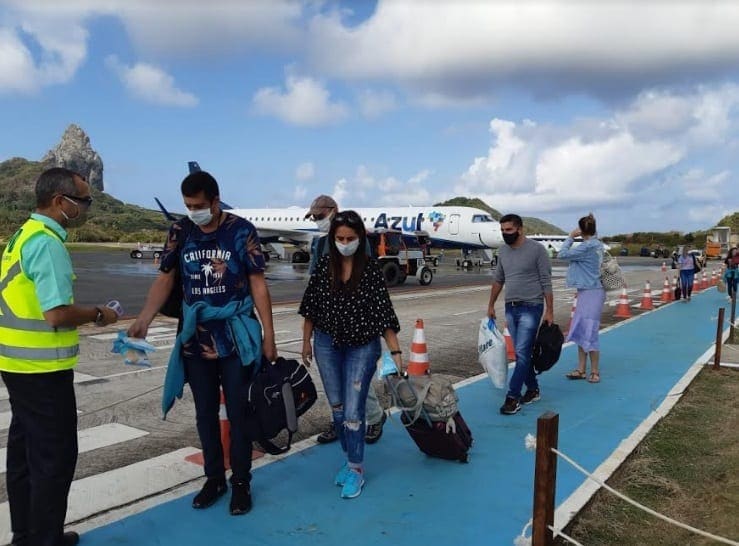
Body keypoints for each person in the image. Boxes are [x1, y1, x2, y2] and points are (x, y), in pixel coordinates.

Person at [128, 170, 277, 516]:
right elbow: (165, 278)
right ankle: (214, 478)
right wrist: (144, 319)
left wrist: (268, 335)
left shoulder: (241, 231)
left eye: (198, 205)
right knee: (205, 414)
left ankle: (241, 481)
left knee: (240, 414)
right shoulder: (181, 231)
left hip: (236, 336)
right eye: (187, 205)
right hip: (196, 339)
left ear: (214, 200)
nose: (193, 211)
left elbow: (258, 284)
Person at [0, 167, 119, 546]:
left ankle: (26, 535)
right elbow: (56, 314)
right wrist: (99, 313)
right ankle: (45, 540)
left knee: (24, 454)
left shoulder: (21, 236)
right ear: (59, 201)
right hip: (42, 369)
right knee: (54, 460)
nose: (85, 208)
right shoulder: (48, 243)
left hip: (17, 366)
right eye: (82, 200)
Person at [299, 210, 402, 499]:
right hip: (326, 344)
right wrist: (306, 341)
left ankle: (356, 468)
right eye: (339, 238)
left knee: (355, 412)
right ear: (332, 239)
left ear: (360, 238)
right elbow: (310, 307)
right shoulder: (323, 266)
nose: (345, 243)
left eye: (350, 238)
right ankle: (349, 457)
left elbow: (384, 313)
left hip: (362, 346)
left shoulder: (370, 270)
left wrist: (395, 351)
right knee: (339, 409)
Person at [305, 195, 387, 445]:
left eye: (320, 216)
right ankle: (339, 419)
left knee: (355, 378)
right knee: (333, 380)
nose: (318, 221)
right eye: (315, 217)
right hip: (326, 324)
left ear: (333, 211)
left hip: (355, 322)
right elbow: (313, 284)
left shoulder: (358, 245)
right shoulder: (319, 245)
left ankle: (373, 418)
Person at [486, 214, 553, 415]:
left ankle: (512, 397)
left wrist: (549, 310)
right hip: (511, 307)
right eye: (503, 230)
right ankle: (532, 389)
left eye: (509, 230)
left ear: (520, 229)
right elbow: (498, 279)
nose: (505, 234)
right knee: (521, 353)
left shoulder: (537, 250)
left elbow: (546, 281)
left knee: (522, 353)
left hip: (532, 307)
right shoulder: (503, 251)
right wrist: (490, 305)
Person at [557, 214, 605, 383]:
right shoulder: (597, 244)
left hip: (591, 292)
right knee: (580, 329)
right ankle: (581, 369)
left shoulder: (586, 247)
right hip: (589, 290)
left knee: (590, 331)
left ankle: (594, 371)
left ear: (581, 230)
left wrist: (570, 237)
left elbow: (561, 255)